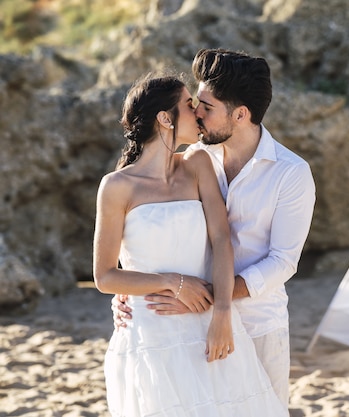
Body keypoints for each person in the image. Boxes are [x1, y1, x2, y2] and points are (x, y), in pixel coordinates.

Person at [113, 48, 316, 409]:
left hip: (256, 322)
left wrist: (212, 298)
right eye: (195, 104)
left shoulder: (291, 172)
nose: (197, 114)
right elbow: (151, 232)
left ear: (240, 114)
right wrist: (131, 292)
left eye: (206, 108)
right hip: (187, 322)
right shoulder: (194, 159)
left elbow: (283, 261)